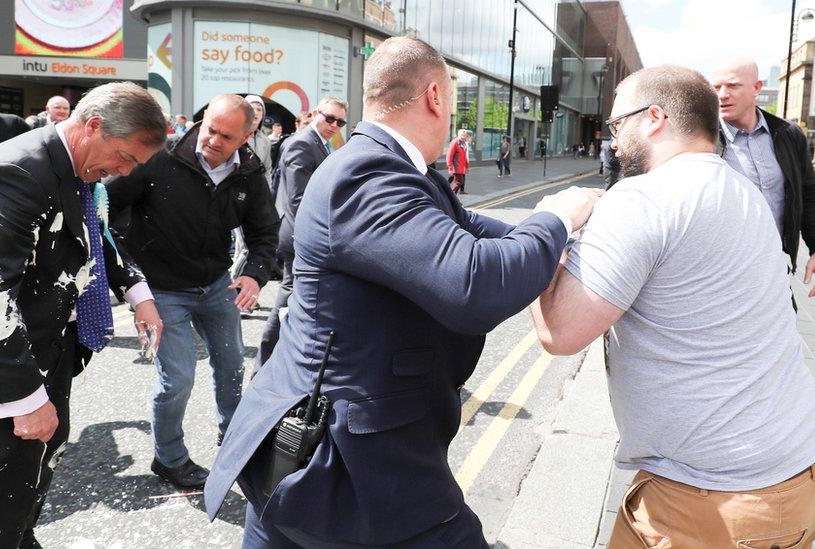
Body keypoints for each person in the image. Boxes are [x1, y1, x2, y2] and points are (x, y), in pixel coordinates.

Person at [204, 35, 600, 548]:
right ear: (435, 96)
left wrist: (548, 239)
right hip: (340, 460)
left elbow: (465, 227)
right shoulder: (366, 174)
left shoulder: (389, 165)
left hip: (312, 452)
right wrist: (558, 218)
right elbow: (474, 282)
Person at [532, 65, 815, 549]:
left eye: (617, 125)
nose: (612, 141)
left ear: (654, 117)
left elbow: (560, 333)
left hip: (720, 504)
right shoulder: (745, 190)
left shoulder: (642, 199)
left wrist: (547, 228)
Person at [0, 82, 168, 548]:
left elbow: (91, 240)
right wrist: (23, 398)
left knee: (22, 489)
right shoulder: (14, 172)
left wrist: (137, 292)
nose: (122, 172)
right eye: (124, 156)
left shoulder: (76, 169)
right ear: (93, 125)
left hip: (42, 348)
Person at [106, 94, 278, 488]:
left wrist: (253, 275)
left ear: (246, 136)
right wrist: (129, 275)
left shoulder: (249, 173)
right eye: (210, 129)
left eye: (226, 136)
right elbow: (106, 207)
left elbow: (265, 232)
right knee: (178, 377)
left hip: (217, 285)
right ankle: (169, 458)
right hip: (162, 290)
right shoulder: (161, 158)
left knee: (232, 366)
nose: (213, 141)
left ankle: (235, 438)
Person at [712, 59, 815, 302]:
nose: (723, 95)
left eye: (733, 86)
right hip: (720, 273)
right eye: (716, 87)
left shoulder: (787, 134)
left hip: (774, 266)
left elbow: (808, 192)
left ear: (757, 87)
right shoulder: (703, 137)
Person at [256, 96, 348, 369]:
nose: (333, 125)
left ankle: (287, 360)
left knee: (301, 296)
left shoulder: (319, 143)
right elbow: (298, 200)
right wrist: (315, 239)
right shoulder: (301, 143)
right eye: (329, 118)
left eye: (339, 121)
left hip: (301, 234)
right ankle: (264, 363)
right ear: (315, 113)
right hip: (299, 236)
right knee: (289, 292)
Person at [447, 128, 470, 193]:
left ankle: (453, 197)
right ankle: (451, 196)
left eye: (465, 134)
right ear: (458, 134)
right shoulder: (455, 142)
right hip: (456, 167)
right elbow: (449, 155)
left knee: (457, 182)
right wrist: (450, 168)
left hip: (461, 168)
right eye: (462, 134)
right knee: (459, 181)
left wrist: (467, 167)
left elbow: (466, 157)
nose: (464, 136)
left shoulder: (464, 143)